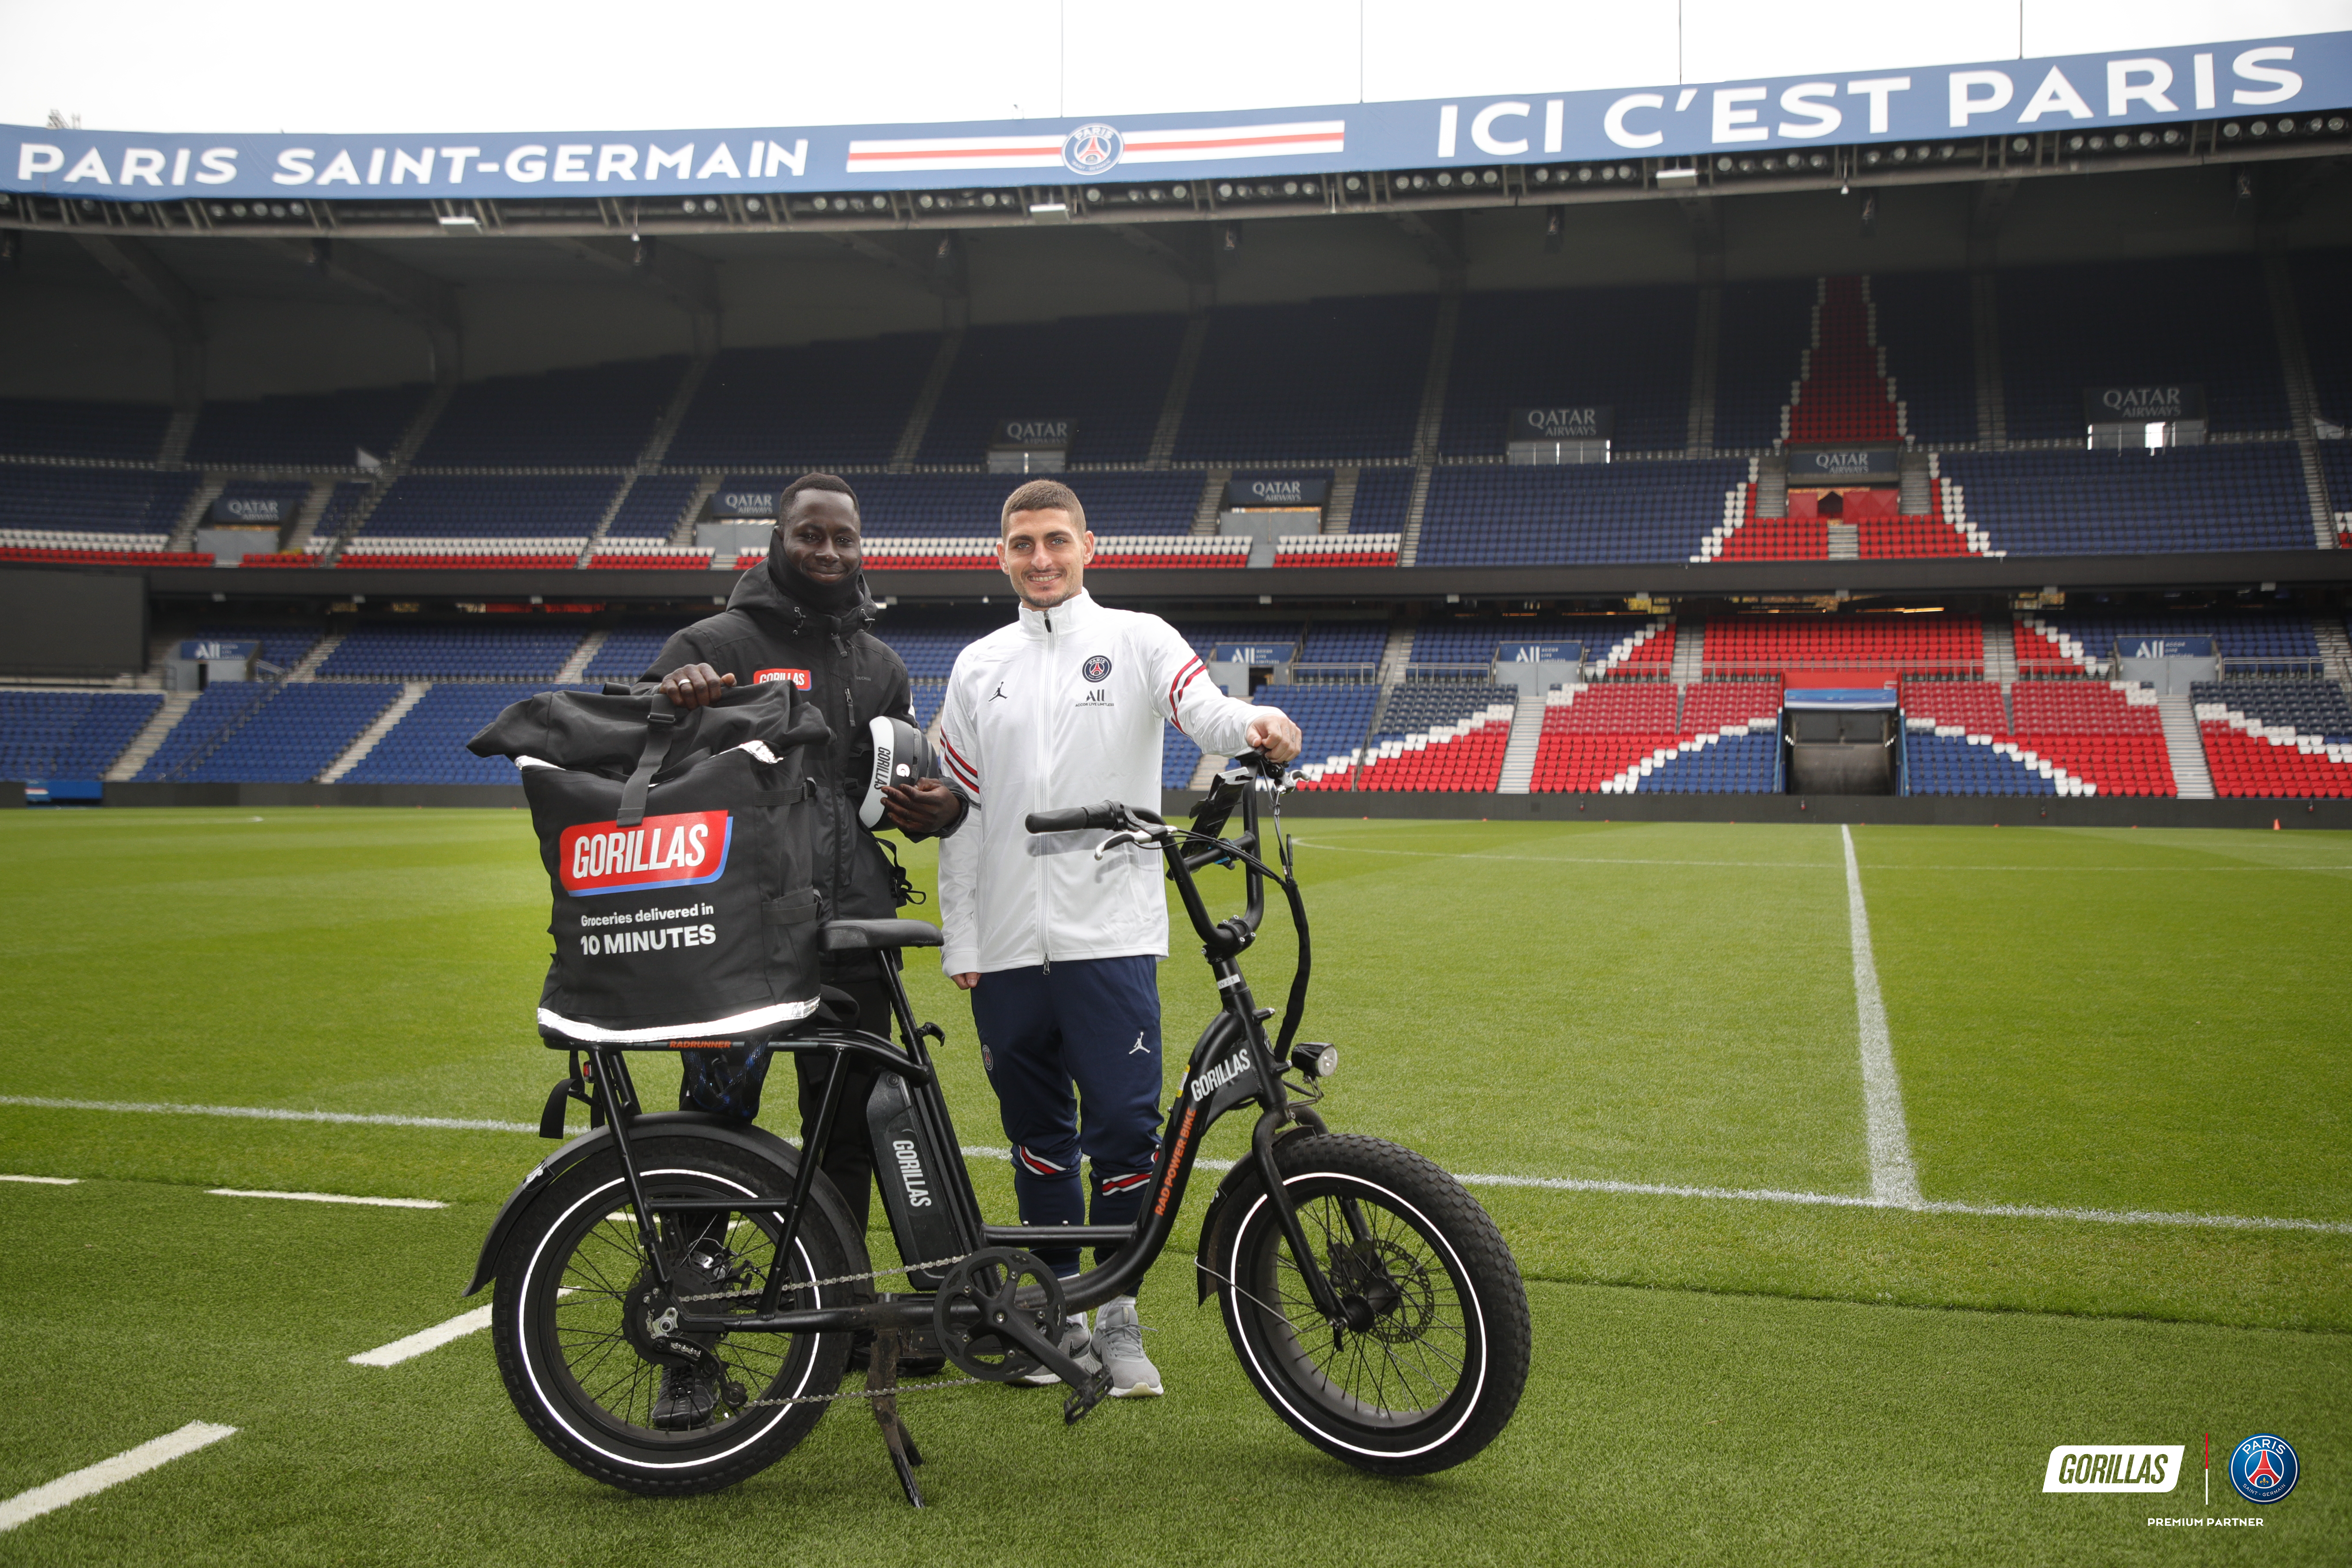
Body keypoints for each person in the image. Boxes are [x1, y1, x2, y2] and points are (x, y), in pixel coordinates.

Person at [935, 478, 1302, 1399]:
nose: (1041, 559)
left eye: (1056, 540)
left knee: (1127, 1136)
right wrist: (962, 940)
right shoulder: (979, 664)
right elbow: (961, 816)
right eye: (1023, 544)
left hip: (1111, 936)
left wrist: (1255, 722)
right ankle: (1053, 1317)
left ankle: (1119, 1318)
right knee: (1036, 1139)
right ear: (1002, 557)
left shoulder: (1139, 638)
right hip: (1011, 947)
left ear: (1088, 545)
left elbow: (1203, 711)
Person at [644, 472, 963, 1424]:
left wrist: (937, 809)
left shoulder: (882, 665)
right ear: (778, 538)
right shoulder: (710, 647)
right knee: (715, 1123)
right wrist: (678, 702)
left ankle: (846, 1305)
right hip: (741, 929)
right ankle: (690, 1338)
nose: (828, 552)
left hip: (857, 928)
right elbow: (647, 773)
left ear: (863, 546)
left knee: (855, 1127)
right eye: (810, 535)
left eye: (844, 539)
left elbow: (895, 798)